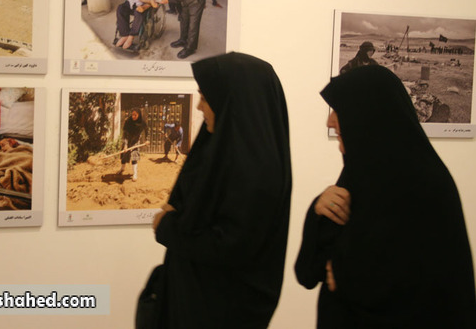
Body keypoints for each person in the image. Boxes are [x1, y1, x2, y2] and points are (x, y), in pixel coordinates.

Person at [295, 65, 476, 328]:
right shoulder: (358, 176)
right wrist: (318, 210)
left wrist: (346, 274)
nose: (330, 121)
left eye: (340, 109)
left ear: (369, 115)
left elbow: (429, 293)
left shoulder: (428, 187)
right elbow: (308, 272)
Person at [151, 52, 292, 328]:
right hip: (192, 303)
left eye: (205, 98)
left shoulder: (258, 172)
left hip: (224, 312)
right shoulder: (217, 148)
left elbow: (230, 246)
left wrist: (168, 226)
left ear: (232, 103)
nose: (199, 106)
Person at [120, 108, 147, 181]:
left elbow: (146, 130)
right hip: (127, 139)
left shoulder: (142, 122)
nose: (133, 116)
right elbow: (125, 134)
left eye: (135, 115)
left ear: (139, 115)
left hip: (135, 140)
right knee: (124, 154)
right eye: (132, 115)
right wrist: (125, 145)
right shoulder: (128, 122)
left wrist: (147, 139)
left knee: (134, 155)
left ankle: (135, 174)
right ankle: (122, 168)